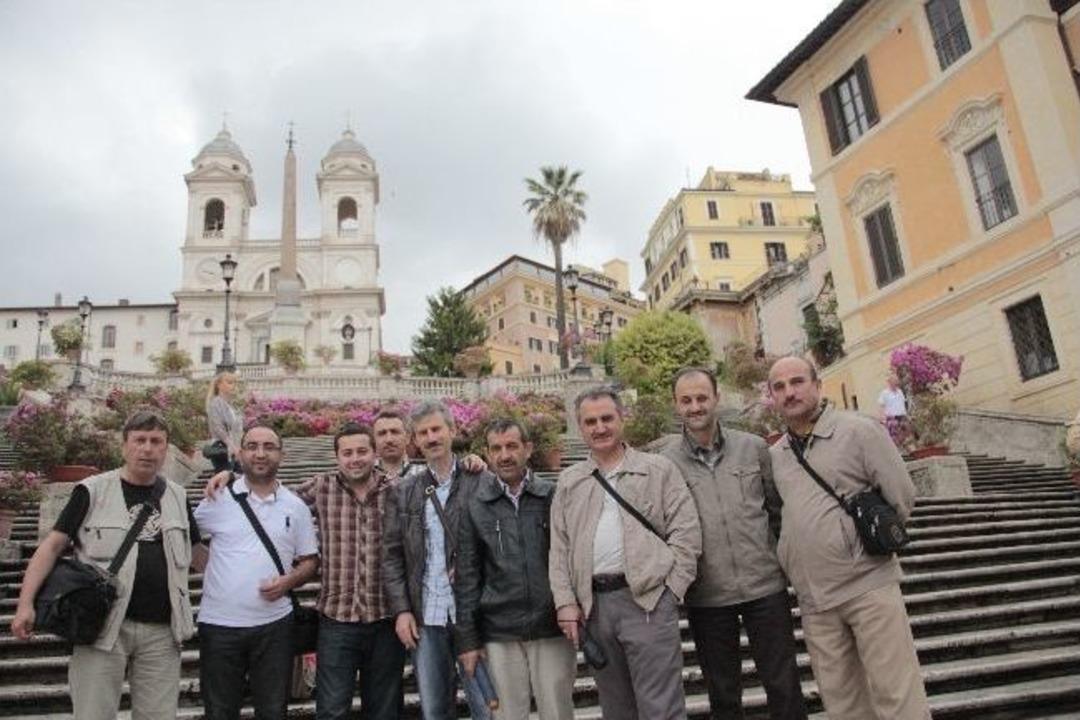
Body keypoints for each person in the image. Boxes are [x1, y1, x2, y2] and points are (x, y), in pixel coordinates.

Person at [11, 409, 203, 720]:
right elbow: (51, 547)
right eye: (140, 440)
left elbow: (198, 555)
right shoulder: (92, 490)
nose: (148, 448)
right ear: (124, 445)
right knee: (93, 715)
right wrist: (25, 604)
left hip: (162, 630)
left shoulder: (178, 496)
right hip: (102, 625)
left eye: (156, 441)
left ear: (166, 449)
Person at [766, 356, 929, 720]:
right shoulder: (776, 456)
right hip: (815, 600)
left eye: (797, 382)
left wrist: (860, 544)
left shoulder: (859, 430)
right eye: (779, 387)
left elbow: (901, 494)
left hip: (868, 585)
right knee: (842, 704)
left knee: (897, 694)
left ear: (817, 385)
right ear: (772, 397)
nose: (789, 393)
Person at [205, 423, 405, 719]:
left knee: (386, 712)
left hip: (386, 619)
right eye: (347, 452)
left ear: (374, 454)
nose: (355, 458)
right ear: (337, 457)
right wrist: (234, 476)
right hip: (337, 621)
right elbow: (269, 494)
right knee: (331, 710)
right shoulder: (321, 487)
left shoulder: (398, 491)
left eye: (362, 451)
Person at [655, 367, 806, 720]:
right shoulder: (665, 464)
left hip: (764, 587)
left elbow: (777, 511)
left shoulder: (753, 448)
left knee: (784, 684)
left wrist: (779, 563)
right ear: (676, 405)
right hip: (707, 595)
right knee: (723, 694)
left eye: (701, 398)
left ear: (716, 399)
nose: (695, 407)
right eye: (686, 400)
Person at [549, 386, 701, 720]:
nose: (599, 427)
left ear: (621, 419)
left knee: (661, 708)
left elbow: (686, 533)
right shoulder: (570, 481)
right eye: (590, 421)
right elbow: (559, 548)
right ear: (580, 426)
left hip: (646, 602)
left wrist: (671, 589)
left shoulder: (657, 469)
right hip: (595, 608)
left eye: (606, 418)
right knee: (616, 709)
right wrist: (566, 602)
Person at [194, 424, 319, 720]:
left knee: (273, 711)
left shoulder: (296, 506)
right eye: (252, 446)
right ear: (240, 453)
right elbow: (185, 536)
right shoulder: (217, 497)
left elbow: (310, 561)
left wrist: (289, 580)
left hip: (275, 627)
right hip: (219, 626)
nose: (260, 454)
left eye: (269, 447)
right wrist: (211, 568)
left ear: (282, 455)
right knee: (219, 712)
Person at [455, 418, 576, 720]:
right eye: (496, 448)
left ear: (528, 448)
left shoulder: (553, 496)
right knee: (508, 715)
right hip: (499, 630)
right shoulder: (475, 505)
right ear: (487, 453)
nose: (504, 455)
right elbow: (467, 576)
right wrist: (468, 640)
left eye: (512, 446)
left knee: (557, 712)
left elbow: (570, 559)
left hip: (550, 627)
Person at [381, 401, 494, 720]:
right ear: (414, 440)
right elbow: (391, 555)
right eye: (423, 432)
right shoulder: (404, 491)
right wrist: (402, 610)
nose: (431, 438)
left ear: (452, 431)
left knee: (487, 708)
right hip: (426, 615)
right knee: (434, 711)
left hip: (474, 616)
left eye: (436, 429)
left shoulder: (480, 480)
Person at [206, 371, 243, 472]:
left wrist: (238, 447)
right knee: (226, 480)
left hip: (234, 450)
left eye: (234, 383)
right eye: (229, 382)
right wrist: (231, 445)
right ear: (219, 385)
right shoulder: (215, 403)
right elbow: (217, 427)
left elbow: (237, 430)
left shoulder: (231, 406)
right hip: (222, 448)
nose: (233, 386)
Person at [877, 373, 913, 450]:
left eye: (897, 380)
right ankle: (898, 452)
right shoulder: (885, 393)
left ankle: (906, 451)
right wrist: (882, 418)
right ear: (889, 382)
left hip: (902, 417)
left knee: (906, 435)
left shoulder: (900, 392)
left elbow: (903, 403)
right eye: (894, 380)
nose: (896, 382)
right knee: (894, 438)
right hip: (892, 418)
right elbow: (881, 406)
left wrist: (907, 414)